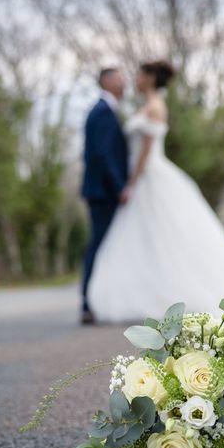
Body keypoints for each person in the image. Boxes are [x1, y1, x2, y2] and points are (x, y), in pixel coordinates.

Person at [87, 60, 224, 322]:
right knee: (146, 241)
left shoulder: (156, 107)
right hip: (141, 180)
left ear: (150, 78)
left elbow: (146, 152)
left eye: (138, 75)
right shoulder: (145, 106)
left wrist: (132, 183)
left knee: (168, 238)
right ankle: (148, 293)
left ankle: (180, 295)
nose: (133, 80)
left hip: (149, 177)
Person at [80, 68, 129, 324]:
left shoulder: (107, 110)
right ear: (106, 81)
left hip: (105, 191)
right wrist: (120, 186)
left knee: (105, 245)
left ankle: (99, 301)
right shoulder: (102, 112)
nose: (125, 82)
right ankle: (88, 303)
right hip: (103, 192)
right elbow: (102, 154)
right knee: (98, 246)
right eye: (120, 78)